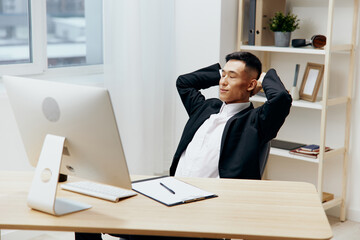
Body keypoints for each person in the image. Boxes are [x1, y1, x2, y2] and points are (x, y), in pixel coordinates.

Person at [75, 51, 292, 240]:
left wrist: (263, 77)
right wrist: (223, 72)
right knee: (87, 211)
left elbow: (281, 97)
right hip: (168, 193)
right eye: (222, 75)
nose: (223, 82)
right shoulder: (206, 108)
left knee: (130, 225)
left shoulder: (257, 122)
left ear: (251, 84)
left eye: (231, 76)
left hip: (204, 208)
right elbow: (184, 81)